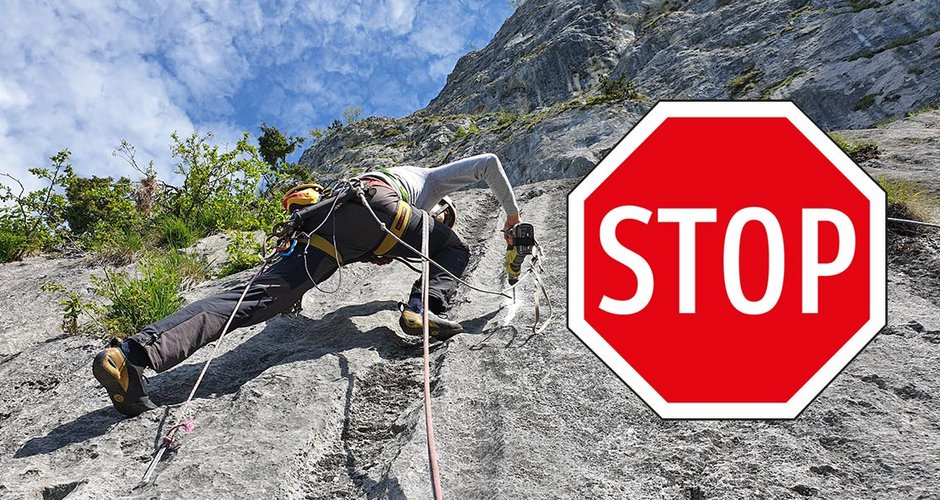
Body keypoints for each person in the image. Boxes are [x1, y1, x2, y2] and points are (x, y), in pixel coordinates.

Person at [92, 153, 522, 417]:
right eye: (441, 218)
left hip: (326, 231)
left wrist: (291, 295)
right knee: (455, 252)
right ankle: (423, 307)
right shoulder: (427, 183)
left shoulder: (369, 207)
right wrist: (512, 217)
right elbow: (487, 163)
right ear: (441, 208)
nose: (437, 226)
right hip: (377, 205)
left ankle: (130, 356)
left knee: (249, 301)